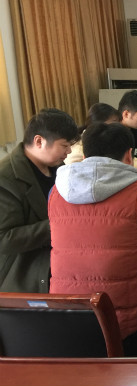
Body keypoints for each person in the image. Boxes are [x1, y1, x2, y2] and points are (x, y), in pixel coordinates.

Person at [48, 122, 137, 356]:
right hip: (130, 327)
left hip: (68, 321)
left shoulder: (55, 192)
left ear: (85, 155)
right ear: (129, 155)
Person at [0, 109, 78, 293]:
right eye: (64, 145)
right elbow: (4, 239)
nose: (68, 152)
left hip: (61, 253)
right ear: (39, 141)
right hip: (24, 267)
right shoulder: (6, 178)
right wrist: (59, 225)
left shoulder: (57, 166)